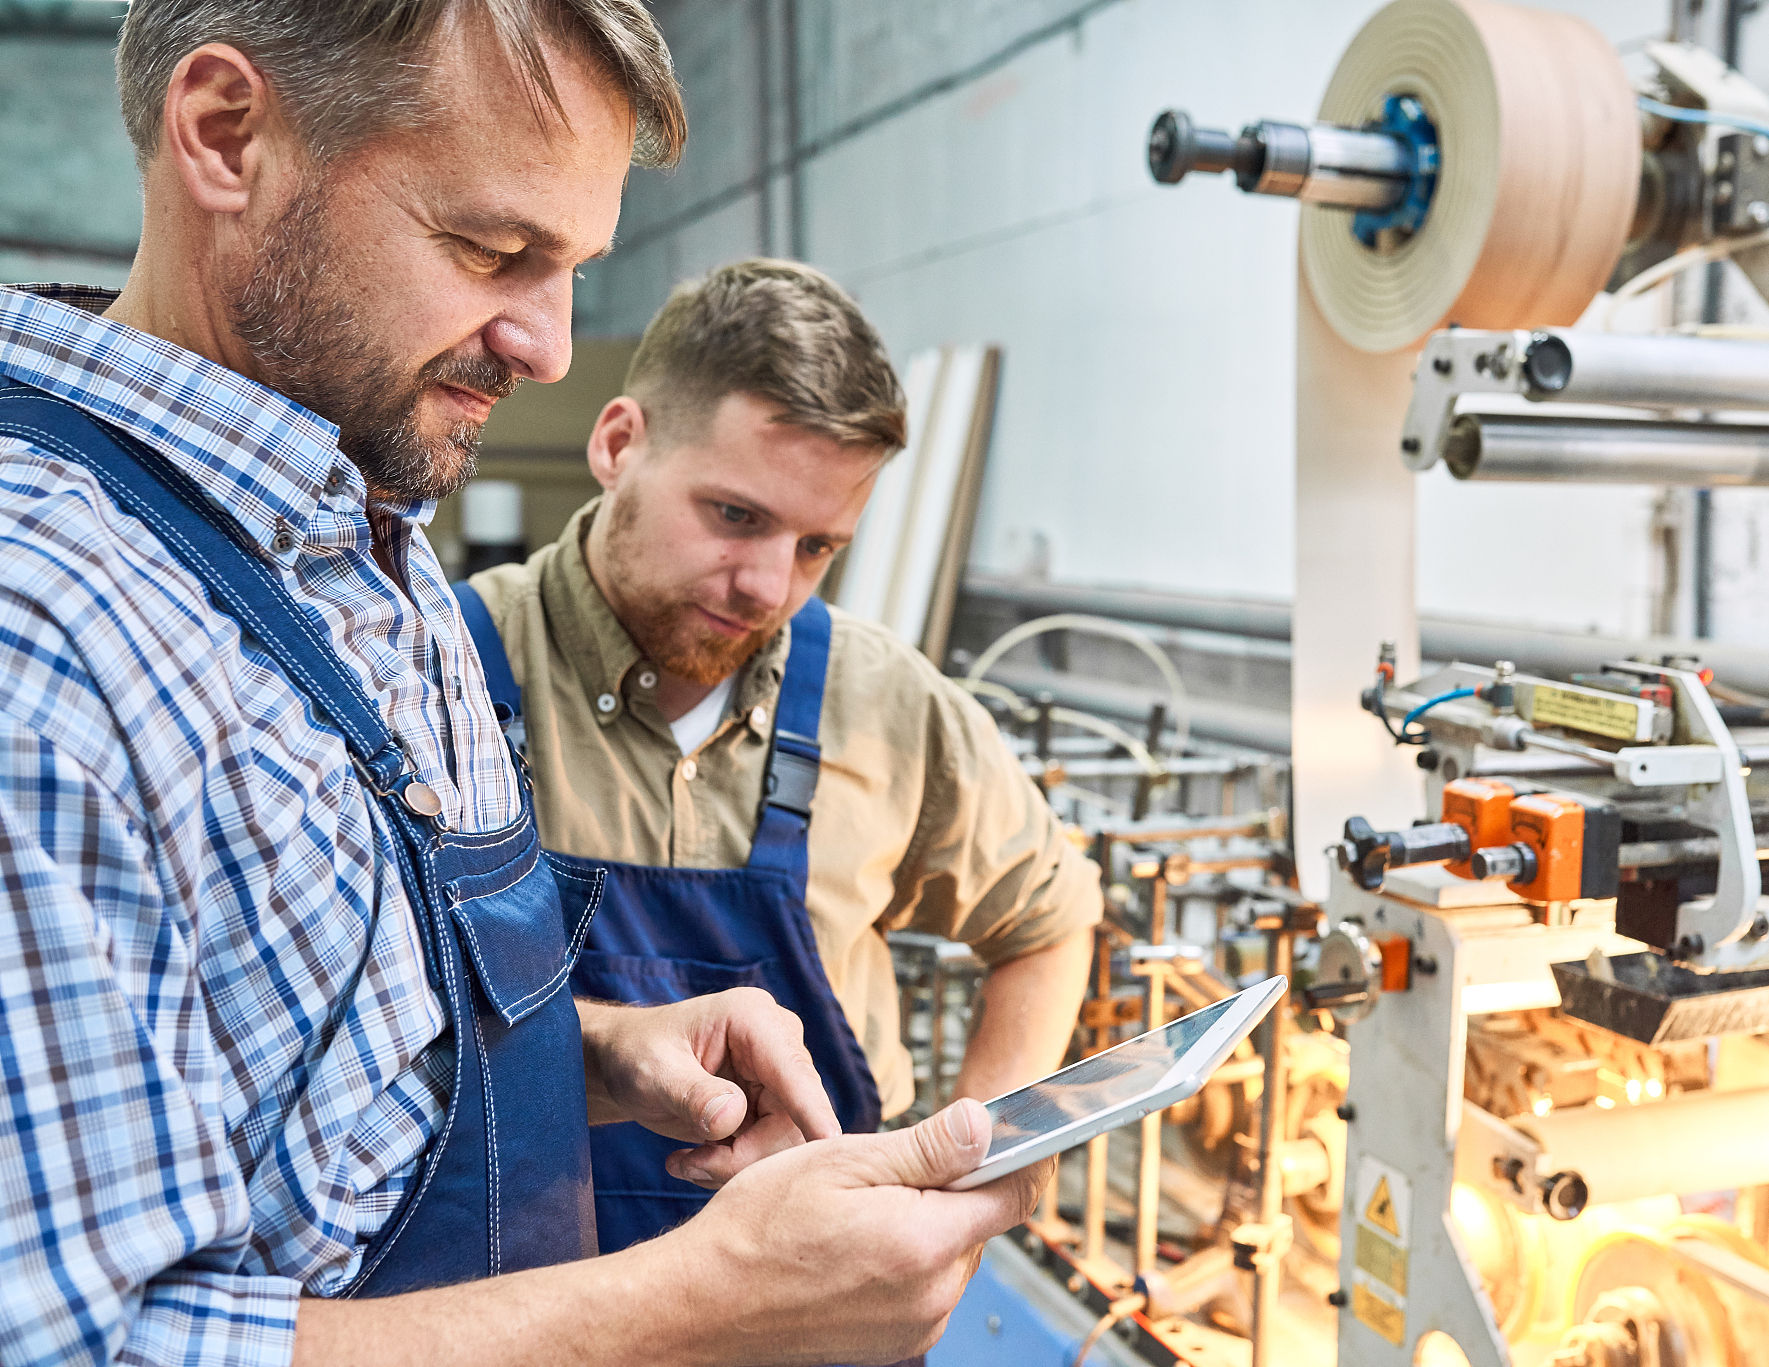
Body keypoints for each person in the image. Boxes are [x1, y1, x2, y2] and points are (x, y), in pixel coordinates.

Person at [0, 3, 1044, 1364]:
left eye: (573, 269)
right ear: (224, 135)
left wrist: (603, 1051)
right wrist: (706, 1296)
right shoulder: (43, 639)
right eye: (495, 250)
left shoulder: (358, 530)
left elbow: (328, 1076)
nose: (548, 344)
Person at [459, 260, 1101, 1247]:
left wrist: (964, 1203)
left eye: (816, 546)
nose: (767, 584)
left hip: (826, 1308)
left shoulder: (882, 701)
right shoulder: (443, 667)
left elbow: (1048, 921)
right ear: (619, 442)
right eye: (736, 515)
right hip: (525, 1301)